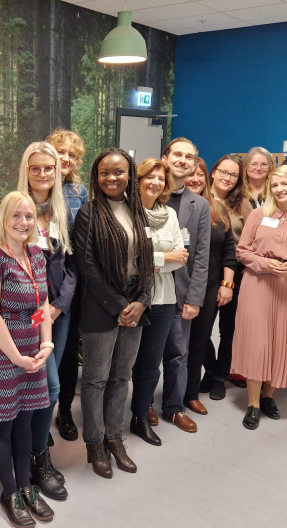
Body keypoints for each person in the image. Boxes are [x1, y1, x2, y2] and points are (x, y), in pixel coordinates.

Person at [72, 147, 154, 478]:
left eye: (118, 172)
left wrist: (144, 299)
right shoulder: (89, 214)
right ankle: (93, 442)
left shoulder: (138, 212)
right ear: (96, 177)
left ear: (129, 176)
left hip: (136, 304)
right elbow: (86, 266)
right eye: (105, 172)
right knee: (95, 379)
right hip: (101, 306)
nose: (112, 178)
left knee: (122, 376)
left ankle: (114, 438)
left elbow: (147, 261)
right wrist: (121, 307)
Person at [0, 191, 55, 528]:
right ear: (3, 219)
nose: (23, 223)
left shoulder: (36, 255)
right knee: (3, 423)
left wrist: (47, 346)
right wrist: (18, 358)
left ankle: (26, 487)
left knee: (24, 422)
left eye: (28, 216)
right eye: (16, 216)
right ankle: (9, 493)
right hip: (1, 353)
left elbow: (41, 308)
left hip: (33, 352)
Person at [232, 165, 287, 430]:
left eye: (285, 184)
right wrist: (265, 264)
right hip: (258, 284)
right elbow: (242, 252)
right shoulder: (258, 214)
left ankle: (268, 396)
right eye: (275, 185)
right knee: (258, 343)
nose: (279, 189)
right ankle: (253, 403)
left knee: (281, 340)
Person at [17, 142, 75, 501]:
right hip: (26, 315)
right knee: (43, 388)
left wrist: (57, 308)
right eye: (36, 168)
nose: (42, 174)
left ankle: (37, 455)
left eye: (48, 169)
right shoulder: (14, 208)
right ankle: (31, 458)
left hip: (57, 314)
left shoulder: (63, 211)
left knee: (47, 389)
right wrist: (42, 315)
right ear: (26, 170)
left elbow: (73, 267)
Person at [128, 157, 186, 447]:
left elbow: (182, 256)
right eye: (149, 177)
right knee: (123, 363)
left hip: (164, 299)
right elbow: (127, 261)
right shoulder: (126, 213)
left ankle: (139, 417)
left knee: (151, 365)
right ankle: (110, 419)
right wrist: (164, 258)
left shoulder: (170, 215)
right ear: (137, 180)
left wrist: (153, 262)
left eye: (161, 178)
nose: (155, 182)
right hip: (132, 297)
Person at [158, 137, 210, 433]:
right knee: (146, 357)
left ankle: (173, 408)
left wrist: (195, 298)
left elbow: (201, 256)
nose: (182, 160)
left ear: (193, 164)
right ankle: (141, 408)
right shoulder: (147, 194)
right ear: (165, 157)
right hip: (148, 292)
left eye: (188, 157)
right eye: (177, 154)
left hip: (181, 293)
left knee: (178, 355)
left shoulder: (199, 204)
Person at [182, 159, 238, 416]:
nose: (195, 179)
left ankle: (190, 393)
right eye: (190, 174)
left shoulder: (217, 210)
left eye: (199, 175)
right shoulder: (172, 206)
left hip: (210, 284)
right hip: (177, 283)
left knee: (199, 341)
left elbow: (229, 252)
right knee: (174, 343)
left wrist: (226, 285)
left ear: (207, 178)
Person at [45, 128, 88, 442]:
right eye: (61, 152)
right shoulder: (35, 190)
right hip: (42, 286)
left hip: (73, 284)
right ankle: (38, 419)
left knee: (70, 353)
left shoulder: (80, 193)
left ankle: (65, 411)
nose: (66, 159)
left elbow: (82, 242)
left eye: (72, 155)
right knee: (44, 356)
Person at [201, 155, 252, 401]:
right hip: (207, 272)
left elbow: (251, 242)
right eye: (223, 172)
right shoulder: (200, 198)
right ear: (213, 171)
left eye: (233, 175)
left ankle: (220, 377)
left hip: (237, 274)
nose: (227, 178)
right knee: (200, 330)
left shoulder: (244, 205)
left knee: (228, 331)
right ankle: (210, 369)